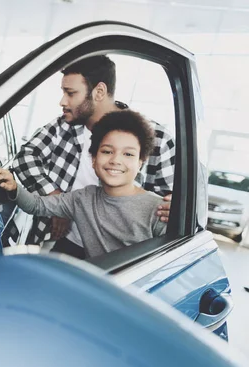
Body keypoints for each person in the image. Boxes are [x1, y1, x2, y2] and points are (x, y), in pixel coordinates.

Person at [9, 55, 175, 259]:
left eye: (70, 93)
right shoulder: (64, 125)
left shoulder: (157, 137)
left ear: (99, 92)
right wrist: (55, 198)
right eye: (106, 151)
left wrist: (172, 208)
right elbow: (25, 157)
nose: (63, 101)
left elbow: (169, 205)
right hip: (66, 240)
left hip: (123, 259)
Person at [0, 110, 166, 258]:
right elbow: (37, 205)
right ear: (94, 159)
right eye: (107, 151)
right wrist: (14, 187)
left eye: (128, 154)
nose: (115, 160)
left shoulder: (159, 210)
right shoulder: (83, 198)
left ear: (140, 162)